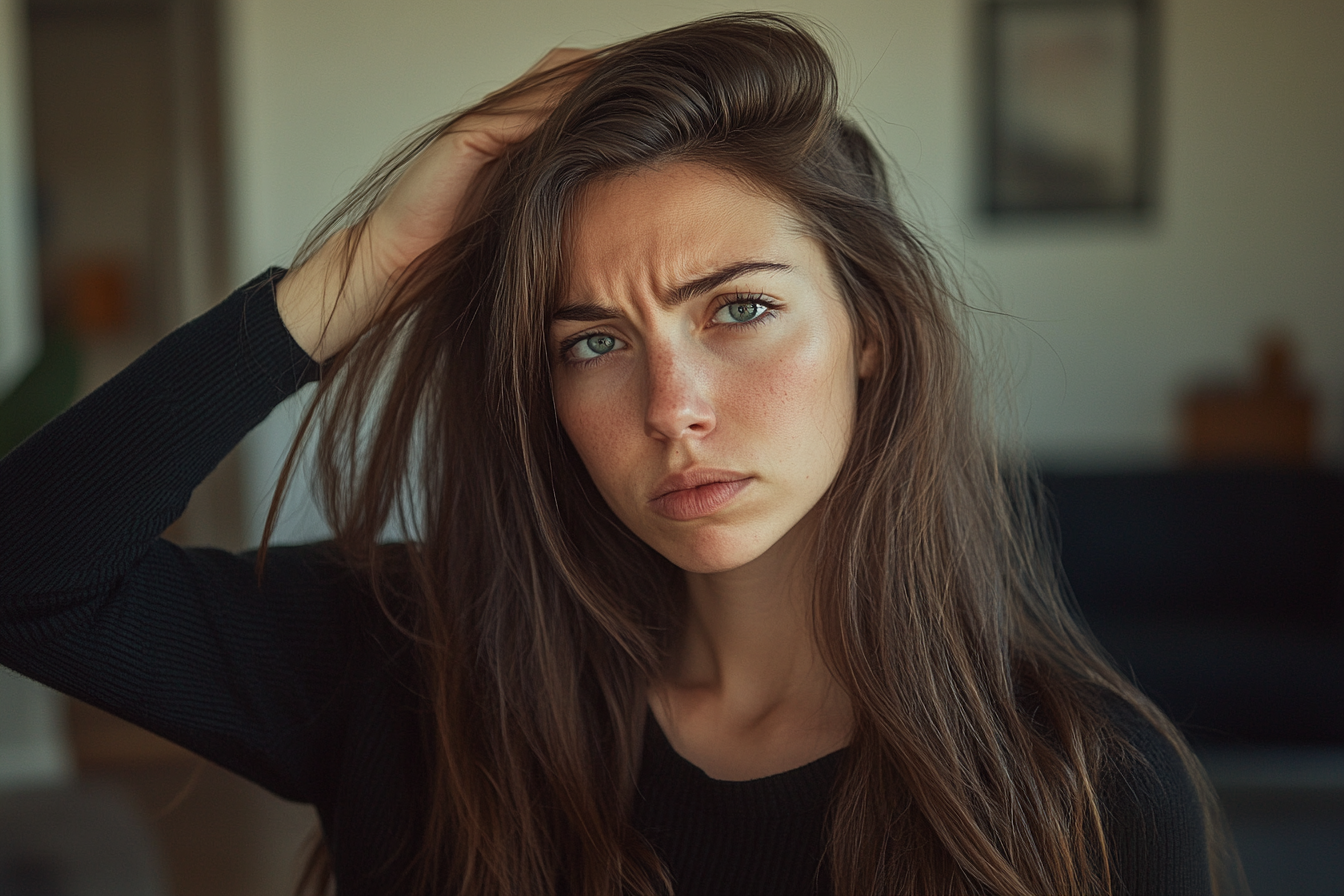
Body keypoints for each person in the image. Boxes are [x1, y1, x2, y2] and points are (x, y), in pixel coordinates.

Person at [0, 12, 1241, 896]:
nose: (672, 404)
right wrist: (363, 269)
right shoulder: (409, 663)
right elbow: (30, 569)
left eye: (738, 309)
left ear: (871, 332)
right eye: (593, 341)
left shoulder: (1085, 794)